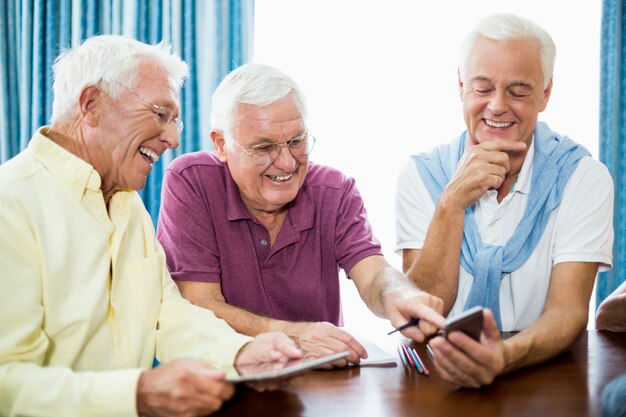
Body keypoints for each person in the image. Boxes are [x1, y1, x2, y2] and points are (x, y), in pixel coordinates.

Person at [0, 35, 304, 417]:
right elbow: (7, 381)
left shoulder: (128, 206)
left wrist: (241, 353)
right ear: (91, 105)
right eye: (160, 114)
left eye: (174, 120)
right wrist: (136, 393)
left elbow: (166, 314)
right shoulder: (9, 205)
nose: (173, 139)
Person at [156, 63, 446, 367]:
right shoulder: (191, 180)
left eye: (296, 141)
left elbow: (374, 275)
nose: (287, 163)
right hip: (222, 377)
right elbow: (200, 304)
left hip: (319, 382)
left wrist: (401, 295)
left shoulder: (335, 191)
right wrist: (293, 335)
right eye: (264, 147)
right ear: (221, 144)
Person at [395, 13, 614, 388]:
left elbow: (567, 311)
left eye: (517, 91)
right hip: (439, 379)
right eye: (482, 88)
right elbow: (423, 313)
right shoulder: (420, 175)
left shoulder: (584, 177)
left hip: (545, 373)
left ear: (545, 94)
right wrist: (450, 204)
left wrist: (502, 358)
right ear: (461, 86)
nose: (497, 106)